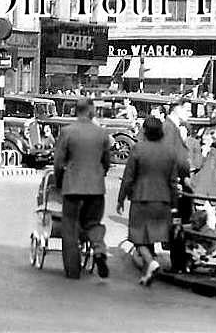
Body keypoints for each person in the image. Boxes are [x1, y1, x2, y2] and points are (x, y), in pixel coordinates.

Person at [117, 116, 184, 286]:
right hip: (163, 200)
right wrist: (174, 206)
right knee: (154, 235)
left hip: (141, 199)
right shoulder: (170, 152)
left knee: (138, 237)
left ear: (145, 131)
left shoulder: (138, 149)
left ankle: (150, 262)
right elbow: (173, 182)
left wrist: (121, 199)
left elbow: (128, 177)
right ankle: (148, 273)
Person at [53, 98, 111, 279]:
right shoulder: (102, 134)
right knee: (93, 223)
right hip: (95, 188)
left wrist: (60, 181)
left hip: (73, 186)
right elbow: (106, 162)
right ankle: (99, 250)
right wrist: (100, 174)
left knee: (69, 227)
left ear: (76, 111)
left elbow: (58, 161)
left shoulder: (67, 132)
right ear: (91, 110)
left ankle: (73, 270)